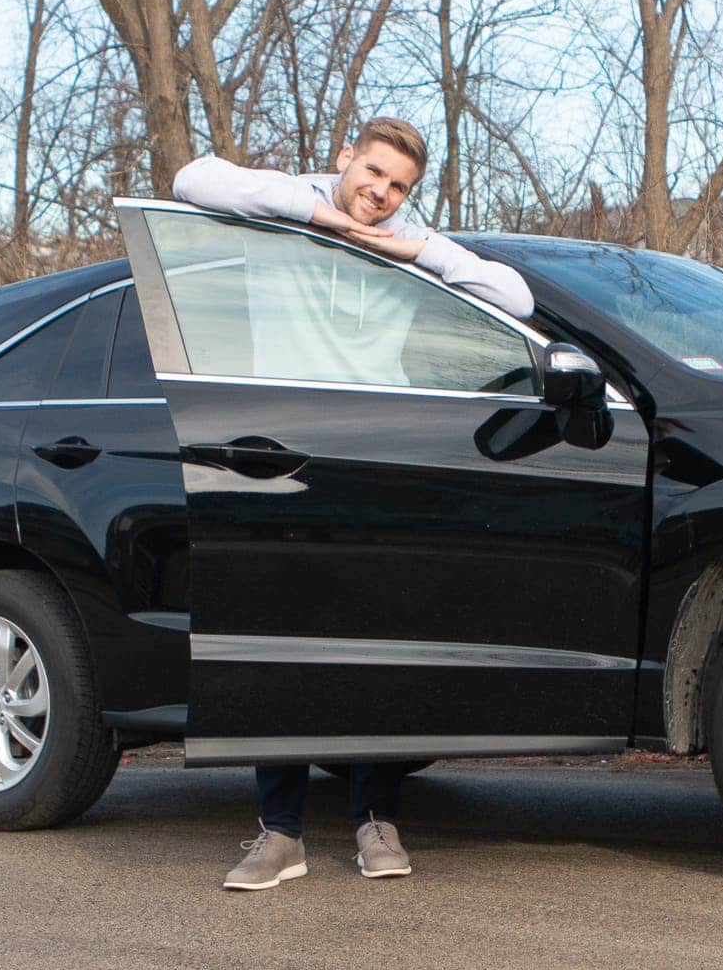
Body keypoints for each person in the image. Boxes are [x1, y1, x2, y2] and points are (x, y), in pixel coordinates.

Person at [170, 116, 535, 890]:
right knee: (280, 644)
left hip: (375, 458)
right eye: (371, 173)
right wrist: (322, 216)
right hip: (280, 456)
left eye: (397, 185)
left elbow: (515, 294)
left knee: (376, 639)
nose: (380, 193)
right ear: (344, 158)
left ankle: (376, 818)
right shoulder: (280, 208)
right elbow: (190, 181)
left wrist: (410, 250)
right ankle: (280, 832)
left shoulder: (410, 240)